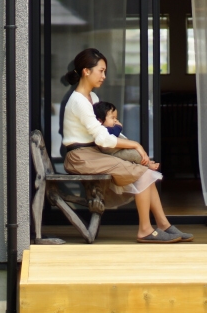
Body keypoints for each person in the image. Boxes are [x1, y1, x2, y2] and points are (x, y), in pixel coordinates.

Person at [62, 47, 193, 244]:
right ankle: (145, 230)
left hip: (93, 153)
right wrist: (135, 145)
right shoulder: (79, 102)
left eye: (105, 71)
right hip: (81, 157)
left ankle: (163, 224)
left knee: (143, 170)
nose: (104, 76)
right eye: (101, 71)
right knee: (143, 172)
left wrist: (130, 146)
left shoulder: (93, 99)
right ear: (86, 71)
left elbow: (108, 131)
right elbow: (103, 139)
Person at [92, 100, 158, 168]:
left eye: (116, 118)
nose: (115, 120)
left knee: (135, 152)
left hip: (119, 150)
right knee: (134, 154)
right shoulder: (102, 129)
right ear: (100, 121)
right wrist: (118, 127)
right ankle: (148, 165)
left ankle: (146, 161)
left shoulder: (110, 127)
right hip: (114, 153)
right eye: (112, 118)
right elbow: (113, 134)